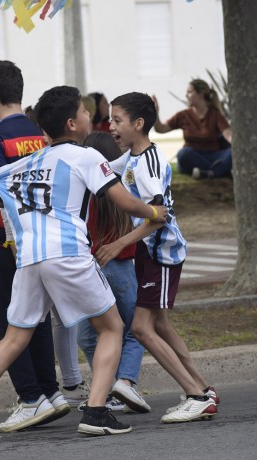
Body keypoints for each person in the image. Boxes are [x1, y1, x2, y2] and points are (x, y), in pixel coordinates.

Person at [0, 86, 166, 444]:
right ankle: (96, 410)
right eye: (83, 111)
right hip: (68, 254)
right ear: (73, 123)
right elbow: (123, 202)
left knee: (14, 337)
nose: (87, 116)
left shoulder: (25, 163)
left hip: (28, 259)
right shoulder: (83, 158)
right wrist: (153, 212)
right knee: (111, 327)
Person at [109, 92, 220, 423]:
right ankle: (203, 388)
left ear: (138, 124)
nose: (111, 126)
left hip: (162, 253)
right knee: (159, 325)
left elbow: (158, 215)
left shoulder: (147, 164)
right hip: (149, 252)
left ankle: (197, 396)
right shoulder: (131, 156)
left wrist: (118, 245)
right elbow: (97, 167)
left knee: (142, 329)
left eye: (117, 121)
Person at [0, 60, 66, 434]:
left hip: (8, 240)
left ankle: (31, 398)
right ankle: (51, 391)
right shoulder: (40, 133)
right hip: (43, 236)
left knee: (7, 320)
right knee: (38, 317)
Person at [77, 131, 151, 414]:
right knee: (131, 328)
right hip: (119, 266)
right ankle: (123, 383)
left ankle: (112, 387)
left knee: (89, 334)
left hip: (93, 268)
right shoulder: (122, 188)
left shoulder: (86, 190)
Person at [152, 79, 232, 179]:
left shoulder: (215, 115)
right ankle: (217, 171)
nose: (186, 95)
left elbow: (228, 135)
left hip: (213, 155)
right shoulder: (183, 115)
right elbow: (161, 129)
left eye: (189, 92)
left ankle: (209, 173)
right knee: (183, 154)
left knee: (231, 153)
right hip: (192, 156)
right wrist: (155, 113)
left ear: (201, 94)